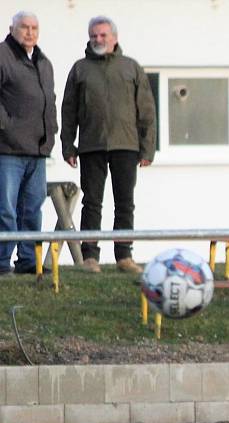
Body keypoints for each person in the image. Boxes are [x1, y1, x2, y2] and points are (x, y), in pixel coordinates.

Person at [61, 15, 156, 275]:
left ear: (114, 38)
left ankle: (124, 256)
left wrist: (148, 148)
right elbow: (68, 110)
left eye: (103, 35)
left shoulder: (131, 67)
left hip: (126, 145)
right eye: (94, 35)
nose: (98, 39)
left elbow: (146, 110)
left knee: (124, 203)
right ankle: (90, 257)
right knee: (92, 202)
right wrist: (68, 146)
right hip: (91, 145)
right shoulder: (80, 68)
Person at [0, 11, 57, 276]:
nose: (30, 32)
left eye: (34, 27)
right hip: (7, 150)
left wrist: (51, 133)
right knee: (6, 210)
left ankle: (28, 261)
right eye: (24, 27)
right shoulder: (3, 55)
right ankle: (2, 264)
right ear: (12, 29)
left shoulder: (43, 62)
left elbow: (50, 101)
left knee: (32, 209)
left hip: (37, 150)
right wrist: (7, 126)